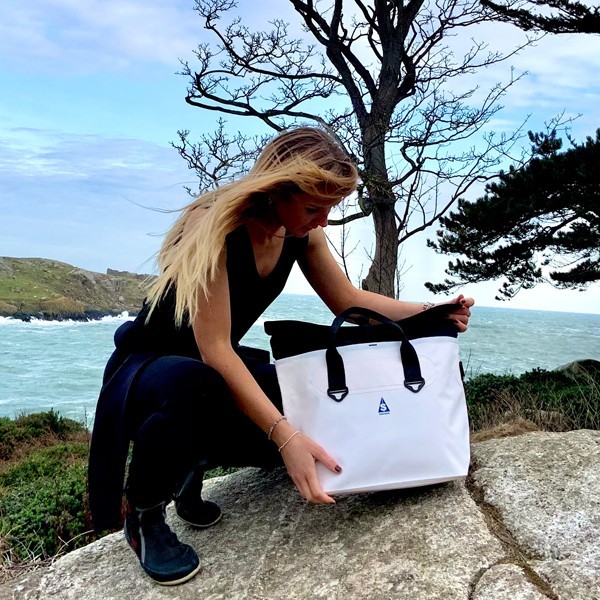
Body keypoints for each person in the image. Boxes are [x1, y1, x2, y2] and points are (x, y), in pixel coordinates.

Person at [88, 126, 474, 586]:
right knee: (206, 390)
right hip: (151, 367)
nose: (324, 221)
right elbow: (214, 350)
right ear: (276, 189)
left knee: (303, 402)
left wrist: (433, 312)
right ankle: (145, 512)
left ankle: (193, 459)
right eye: (313, 209)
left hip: (213, 366)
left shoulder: (301, 234)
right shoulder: (214, 225)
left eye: (330, 209)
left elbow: (348, 301)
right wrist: (286, 437)